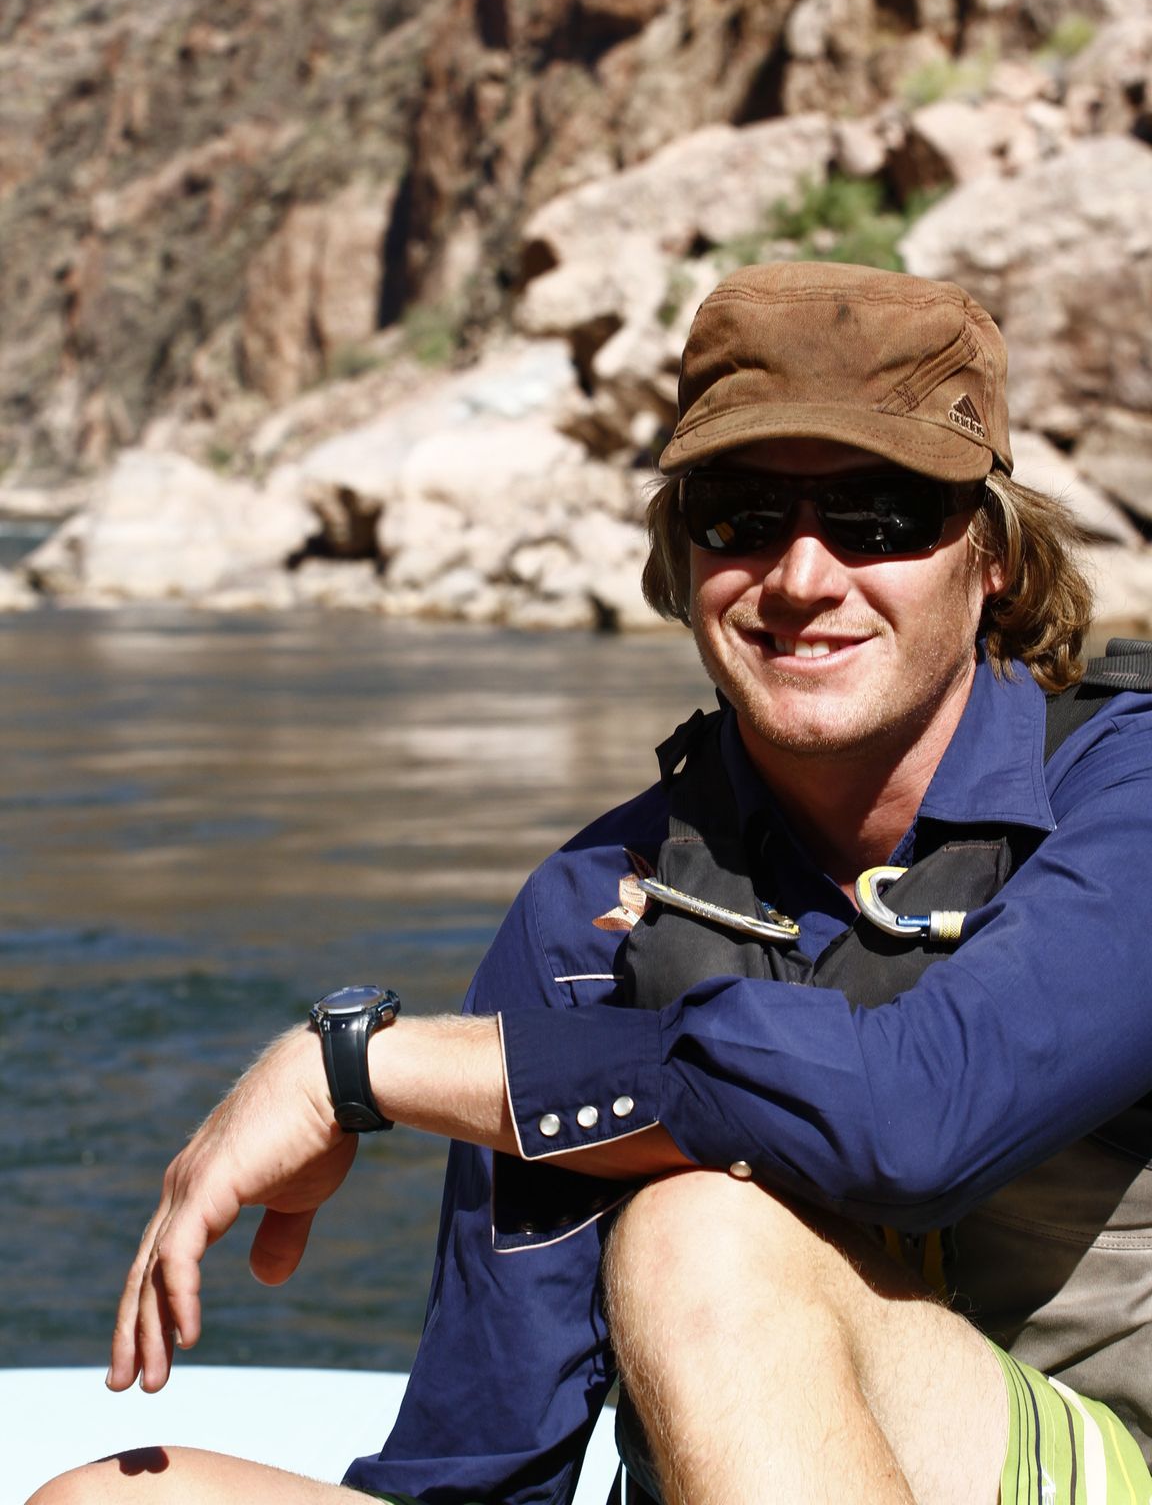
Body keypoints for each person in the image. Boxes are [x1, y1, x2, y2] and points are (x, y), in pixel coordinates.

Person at [31, 261, 1152, 1505]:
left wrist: (359, 1066)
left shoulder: (1126, 800)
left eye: (878, 515)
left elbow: (916, 1119)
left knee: (702, 1239)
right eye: (740, 514)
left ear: (989, 557)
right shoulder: (594, 912)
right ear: (683, 553)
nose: (800, 577)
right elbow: (489, 1462)